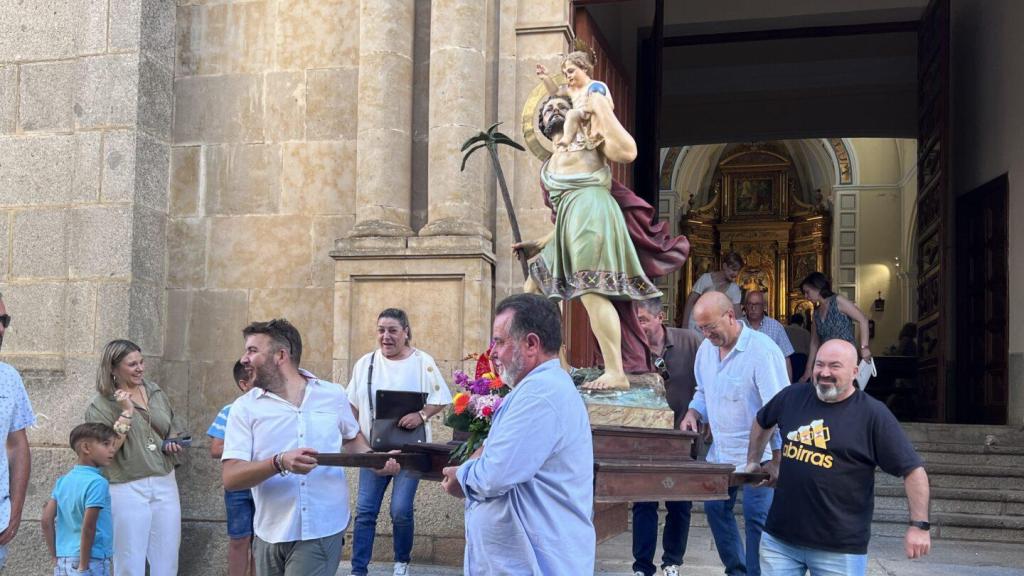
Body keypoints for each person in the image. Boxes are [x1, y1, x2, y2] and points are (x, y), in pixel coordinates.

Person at [516, 91, 683, 391]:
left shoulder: (592, 142)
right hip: (569, 224)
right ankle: (560, 363)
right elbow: (562, 211)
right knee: (534, 289)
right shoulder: (546, 168)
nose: (554, 111)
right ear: (540, 123)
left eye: (561, 107)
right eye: (548, 109)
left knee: (592, 289)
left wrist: (599, 107)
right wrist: (541, 243)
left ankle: (615, 370)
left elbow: (627, 151)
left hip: (593, 214)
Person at [222, 319, 398, 576]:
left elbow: (351, 439)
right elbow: (231, 477)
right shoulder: (243, 407)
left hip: (322, 525)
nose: (244, 359)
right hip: (269, 529)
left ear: (280, 355)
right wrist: (279, 462)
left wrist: (374, 460)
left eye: (252, 350)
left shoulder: (333, 394)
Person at [745, 339, 931, 575]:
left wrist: (919, 526)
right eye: (819, 364)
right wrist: (756, 460)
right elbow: (762, 421)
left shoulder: (872, 414)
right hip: (780, 541)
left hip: (839, 549)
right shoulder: (792, 396)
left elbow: (913, 470)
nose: (824, 373)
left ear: (854, 372)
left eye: (835, 366)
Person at [441, 294, 595, 574]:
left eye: (499, 341)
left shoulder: (540, 394)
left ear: (531, 344)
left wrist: (461, 477)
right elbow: (492, 452)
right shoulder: (535, 390)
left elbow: (494, 476)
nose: (493, 353)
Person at [681, 292, 789, 576]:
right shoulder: (706, 349)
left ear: (730, 316)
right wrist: (694, 412)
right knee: (715, 511)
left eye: (710, 327)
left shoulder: (763, 351)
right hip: (722, 453)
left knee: (757, 519)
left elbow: (779, 409)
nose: (705, 334)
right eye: (700, 328)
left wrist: (777, 459)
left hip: (761, 454)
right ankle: (737, 571)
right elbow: (703, 391)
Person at [345, 309, 453, 576]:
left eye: (393, 330)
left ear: (406, 331)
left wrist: (421, 414)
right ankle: (359, 569)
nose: (386, 336)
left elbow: (441, 396)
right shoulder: (366, 363)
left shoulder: (422, 362)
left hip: (410, 452)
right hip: (373, 451)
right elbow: (351, 407)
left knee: (401, 510)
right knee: (365, 511)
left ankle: (401, 563)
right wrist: (356, 443)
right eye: (381, 330)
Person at [85, 339, 186, 576]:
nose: (140, 368)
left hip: (164, 481)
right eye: (132, 365)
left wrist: (173, 439)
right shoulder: (100, 404)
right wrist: (127, 412)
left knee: (167, 559)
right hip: (126, 485)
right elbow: (105, 451)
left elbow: (173, 423)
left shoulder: (154, 390)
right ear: (113, 368)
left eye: (141, 362)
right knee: (129, 561)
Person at [631, 297, 702, 576]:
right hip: (645, 439)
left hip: (682, 439)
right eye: (635, 321)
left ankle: (672, 562)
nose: (638, 326)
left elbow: (708, 381)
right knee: (643, 503)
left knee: (680, 503)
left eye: (643, 320)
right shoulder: (630, 349)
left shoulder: (691, 341)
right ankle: (642, 567)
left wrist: (698, 414)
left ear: (660, 317)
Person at [41, 423, 117, 576]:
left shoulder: (63, 481)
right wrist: (83, 566)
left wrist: (55, 557)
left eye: (113, 445)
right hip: (91, 560)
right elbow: (88, 527)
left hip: (64, 560)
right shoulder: (97, 482)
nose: (112, 450)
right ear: (86, 448)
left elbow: (46, 520)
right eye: (106, 444)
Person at [208, 361, 256, 576]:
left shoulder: (273, 411)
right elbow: (216, 448)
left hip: (264, 482)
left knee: (262, 540)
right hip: (238, 485)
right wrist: (246, 446)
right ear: (244, 384)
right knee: (239, 538)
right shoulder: (230, 410)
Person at [0, 292, 34, 571]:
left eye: (4, 320)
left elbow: (17, 444)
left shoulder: (9, 377)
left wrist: (16, 510)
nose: (1, 328)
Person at [797, 272, 872, 383]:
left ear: (817, 287)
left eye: (807, 292)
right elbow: (814, 343)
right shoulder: (816, 313)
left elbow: (863, 320)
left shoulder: (838, 301)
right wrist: (808, 370)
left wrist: (864, 347)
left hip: (846, 357)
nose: (806, 297)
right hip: (827, 360)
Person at [536, 48, 610, 151]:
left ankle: (595, 134)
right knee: (571, 115)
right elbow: (555, 92)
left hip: (591, 116)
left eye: (571, 71)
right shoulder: (571, 90)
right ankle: (567, 139)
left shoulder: (595, 85)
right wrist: (545, 77)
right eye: (566, 74)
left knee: (578, 115)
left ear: (584, 68)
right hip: (579, 119)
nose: (568, 76)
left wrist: (593, 106)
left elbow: (607, 105)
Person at [681, 252, 744, 332]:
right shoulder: (705, 279)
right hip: (696, 326)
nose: (736, 274)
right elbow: (690, 301)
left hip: (714, 330)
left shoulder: (734, 289)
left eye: (738, 271)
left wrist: (745, 332)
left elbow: (738, 314)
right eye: (733, 270)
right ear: (725, 266)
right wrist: (684, 325)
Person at [741, 290, 795, 381]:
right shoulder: (738, 326)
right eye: (750, 304)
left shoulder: (776, 327)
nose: (753, 308)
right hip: (743, 380)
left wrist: (787, 388)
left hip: (770, 379)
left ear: (764, 307)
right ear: (745, 306)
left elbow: (785, 358)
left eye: (757, 304)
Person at [784, 314, 811, 380]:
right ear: (802, 323)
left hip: (787, 359)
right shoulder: (805, 332)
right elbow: (809, 350)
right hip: (801, 360)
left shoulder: (784, 330)